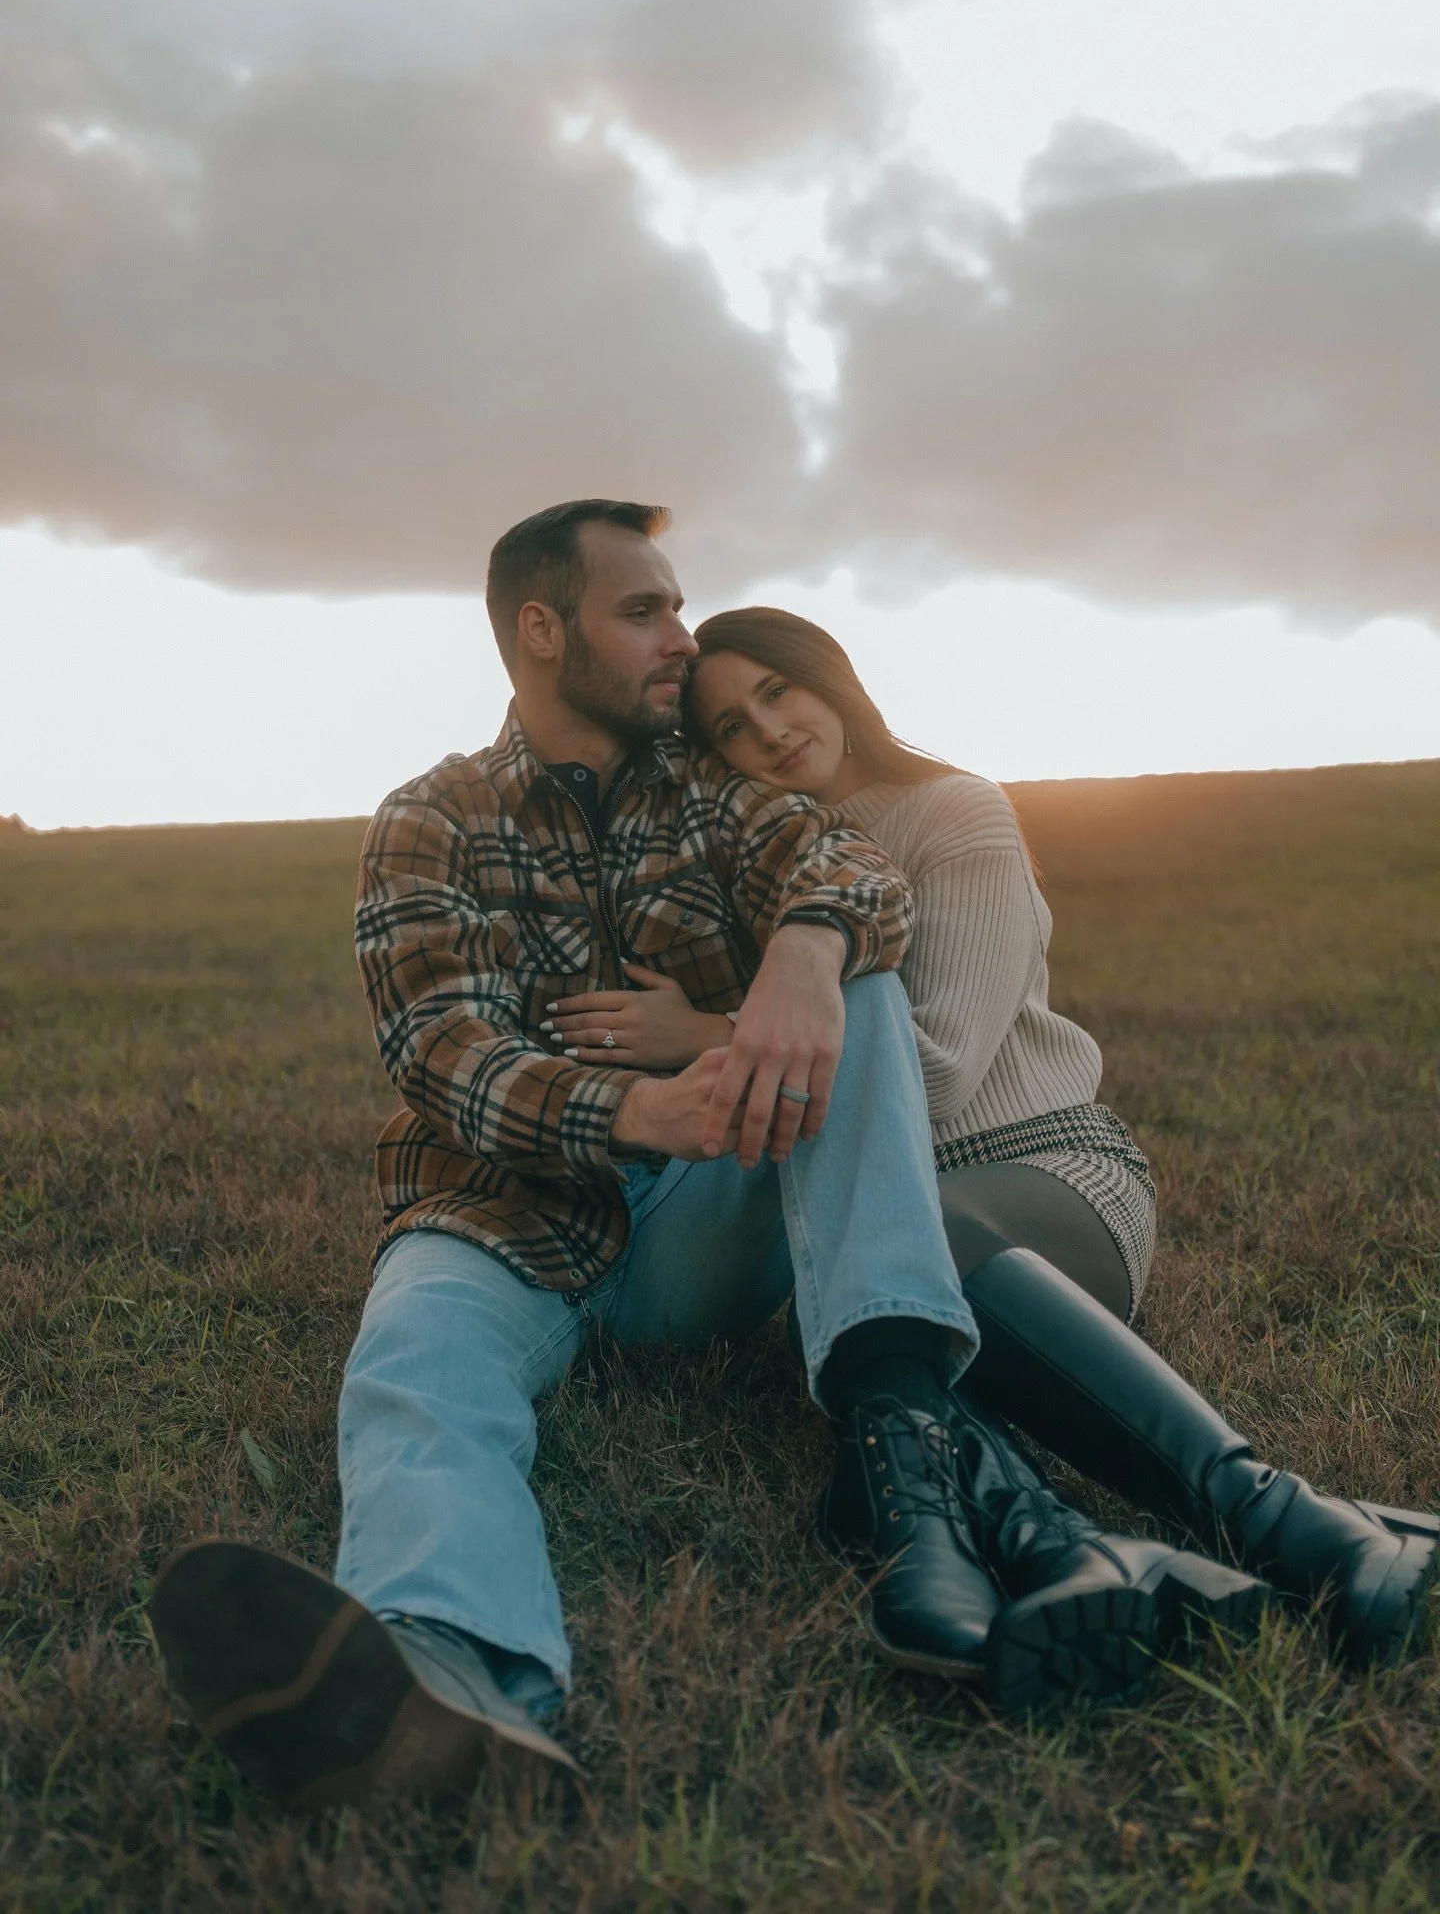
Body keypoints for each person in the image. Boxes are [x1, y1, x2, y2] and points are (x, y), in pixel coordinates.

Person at [147, 503, 1265, 1813]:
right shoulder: (428, 817)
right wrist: (637, 1112)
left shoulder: (714, 792)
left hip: (705, 1215)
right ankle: (459, 1674)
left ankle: (898, 1425)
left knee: (857, 987)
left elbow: (857, 879)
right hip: (501, 1210)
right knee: (412, 1369)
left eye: (679, 605)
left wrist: (800, 953)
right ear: (543, 629)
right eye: (646, 611)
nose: (681, 635)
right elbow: (439, 1050)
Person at [585, 605, 1434, 1677]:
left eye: (778, 690)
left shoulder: (953, 811)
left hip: (1048, 1176)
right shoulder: (777, 863)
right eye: (732, 728)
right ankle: (1086, 1555)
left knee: (900, 1266)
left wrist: (702, 1035)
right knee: (875, 1305)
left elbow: (929, 1071)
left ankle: (1287, 1520)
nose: (770, 731)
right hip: (900, 1215)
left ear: (830, 677)